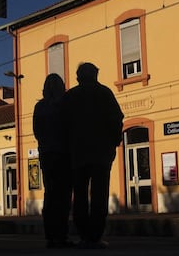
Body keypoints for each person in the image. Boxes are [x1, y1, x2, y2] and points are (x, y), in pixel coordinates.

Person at [62, 62, 124, 249]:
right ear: (96, 75)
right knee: (99, 195)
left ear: (78, 77)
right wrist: (113, 143)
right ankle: (96, 236)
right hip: (101, 154)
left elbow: (62, 125)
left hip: (78, 155)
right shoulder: (105, 93)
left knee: (79, 196)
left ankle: (83, 235)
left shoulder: (70, 97)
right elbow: (116, 119)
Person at [32, 73, 74, 249]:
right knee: (64, 197)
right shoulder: (66, 105)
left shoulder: (39, 107)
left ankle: (51, 236)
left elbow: (37, 131)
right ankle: (62, 235)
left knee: (50, 194)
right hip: (64, 155)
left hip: (47, 155)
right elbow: (72, 128)